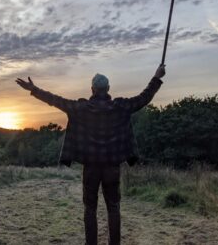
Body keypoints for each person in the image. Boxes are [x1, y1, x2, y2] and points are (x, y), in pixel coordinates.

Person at [16, 64, 165, 245]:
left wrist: (34, 89)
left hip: (91, 168)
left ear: (92, 89)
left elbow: (55, 100)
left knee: (90, 208)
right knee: (113, 207)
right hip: (112, 167)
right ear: (108, 89)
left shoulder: (81, 108)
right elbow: (144, 98)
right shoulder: (120, 107)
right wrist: (156, 77)